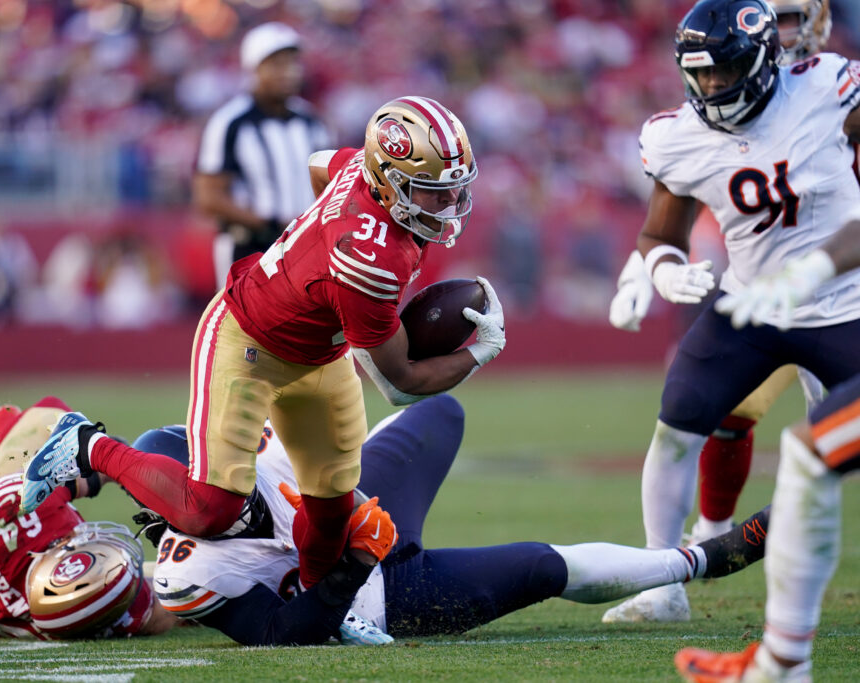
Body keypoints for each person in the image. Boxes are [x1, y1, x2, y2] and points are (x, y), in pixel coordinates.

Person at [19, 96, 506, 596]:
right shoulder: (370, 258)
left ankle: (313, 602)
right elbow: (399, 384)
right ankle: (88, 447)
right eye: (430, 191)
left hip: (319, 350)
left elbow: (321, 164)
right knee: (209, 508)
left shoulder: (365, 173)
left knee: (333, 510)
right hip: (249, 341)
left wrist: (313, 237)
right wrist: (480, 352)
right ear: (389, 182)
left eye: (453, 190)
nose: (448, 205)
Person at [601, 0, 860, 624]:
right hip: (754, 304)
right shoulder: (677, 138)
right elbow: (658, 234)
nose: (714, 86)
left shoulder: (828, 87)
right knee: (673, 432)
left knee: (833, 453)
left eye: (727, 71)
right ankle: (662, 585)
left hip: (844, 306)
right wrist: (657, 269)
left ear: (766, 58)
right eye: (703, 74)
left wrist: (817, 268)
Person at [129, 395, 769, 646]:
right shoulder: (189, 573)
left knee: (441, 411)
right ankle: (701, 561)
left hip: (355, 503)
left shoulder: (256, 442)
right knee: (545, 565)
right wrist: (355, 562)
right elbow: (276, 634)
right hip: (382, 596)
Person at [674, 219, 860, 681]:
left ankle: (780, 666)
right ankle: (709, 533)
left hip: (834, 308)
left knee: (811, 453)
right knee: (800, 442)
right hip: (805, 306)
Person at [0, 397, 176, 639]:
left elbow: (74, 466)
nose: (89, 538)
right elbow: (163, 608)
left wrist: (113, 461)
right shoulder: (76, 609)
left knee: (45, 414)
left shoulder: (22, 514)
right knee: (151, 581)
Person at [192, 21, 332, 290]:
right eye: (277, 64)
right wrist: (270, 224)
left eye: (293, 63)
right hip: (249, 249)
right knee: (244, 328)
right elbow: (208, 197)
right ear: (254, 68)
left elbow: (330, 185)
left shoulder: (312, 121)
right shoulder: (231, 122)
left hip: (306, 245)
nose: (289, 72)